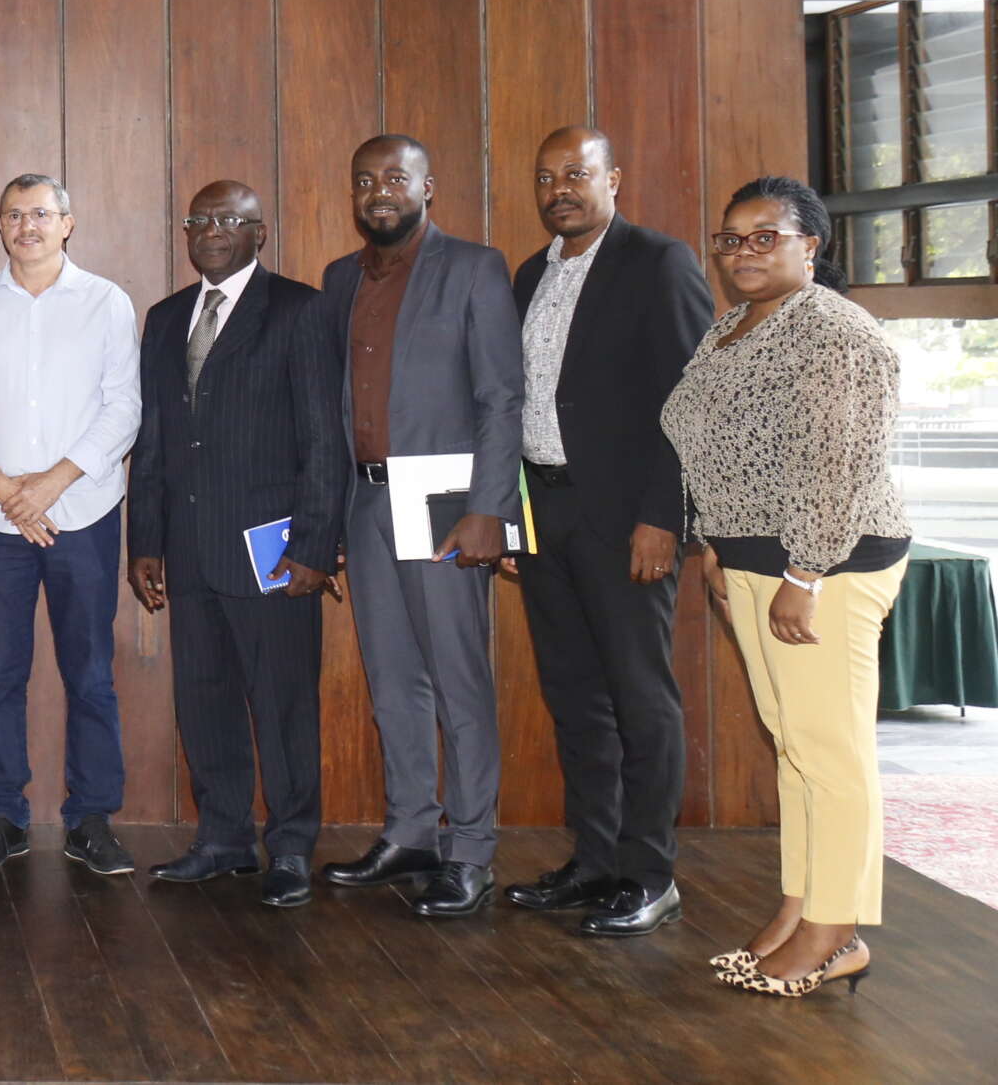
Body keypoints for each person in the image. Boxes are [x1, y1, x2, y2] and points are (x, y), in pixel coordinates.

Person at [665, 177, 910, 998]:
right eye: (731, 238)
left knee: (830, 750)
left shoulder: (838, 331)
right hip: (751, 557)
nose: (742, 252)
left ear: (813, 244)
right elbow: (711, 442)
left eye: (765, 236)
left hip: (829, 563)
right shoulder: (732, 324)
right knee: (795, 745)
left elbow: (842, 463)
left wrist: (804, 572)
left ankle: (837, 933)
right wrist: (713, 544)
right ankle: (801, 904)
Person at [505, 128, 713, 938]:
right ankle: (593, 860)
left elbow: (692, 401)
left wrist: (665, 515)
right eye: (546, 176)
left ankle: (649, 871)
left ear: (614, 179)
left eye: (577, 174)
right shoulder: (532, 273)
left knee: (640, 698)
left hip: (630, 521)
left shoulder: (658, 262)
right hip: (545, 514)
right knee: (576, 698)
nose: (560, 188)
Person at [316, 135, 525, 919]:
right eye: (364, 179)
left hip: (443, 494)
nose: (379, 191)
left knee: (458, 679)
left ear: (426, 186)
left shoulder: (474, 266)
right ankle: (411, 830)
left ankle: (471, 847)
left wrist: (490, 511)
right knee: (392, 677)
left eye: (394, 178)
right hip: (365, 496)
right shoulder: (342, 277)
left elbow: (504, 398)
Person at [127, 180, 342, 909]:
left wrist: (315, 544)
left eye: (229, 220)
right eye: (199, 220)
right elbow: (153, 439)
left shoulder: (299, 308)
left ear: (261, 232)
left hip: (273, 552)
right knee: (204, 696)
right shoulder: (162, 319)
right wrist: (145, 540)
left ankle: (289, 844)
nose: (211, 230)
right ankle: (221, 837)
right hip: (187, 549)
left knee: (282, 702)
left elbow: (323, 438)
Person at [0, 175, 141, 876]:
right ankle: (4, 815)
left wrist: (53, 481)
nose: (26, 224)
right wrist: (1, 483)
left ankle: (92, 817)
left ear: (68, 222)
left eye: (40, 213)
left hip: (82, 512)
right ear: (0, 226)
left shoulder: (105, 302)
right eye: (13, 214)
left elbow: (123, 408)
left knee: (89, 671)